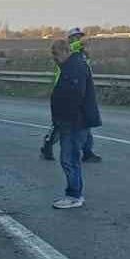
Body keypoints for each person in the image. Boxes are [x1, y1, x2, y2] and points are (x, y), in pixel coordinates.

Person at [49, 39, 101, 209]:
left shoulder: (75, 67)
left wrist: (64, 119)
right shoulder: (72, 65)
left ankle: (74, 195)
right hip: (72, 121)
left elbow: (75, 95)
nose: (54, 59)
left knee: (69, 159)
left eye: (55, 54)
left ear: (65, 51)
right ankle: (74, 194)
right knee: (71, 158)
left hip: (74, 122)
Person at [40, 27, 102, 162]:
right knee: (58, 126)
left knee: (84, 123)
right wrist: (81, 43)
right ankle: (47, 145)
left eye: (79, 37)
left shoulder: (81, 54)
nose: (78, 39)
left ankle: (87, 152)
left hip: (78, 90)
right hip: (63, 89)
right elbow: (72, 47)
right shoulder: (66, 52)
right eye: (75, 37)